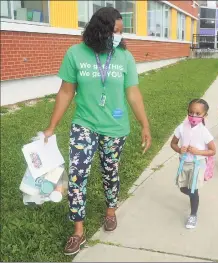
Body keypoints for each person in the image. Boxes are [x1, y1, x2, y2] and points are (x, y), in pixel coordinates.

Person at [43, 7, 151, 255]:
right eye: (115, 31)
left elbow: (133, 93)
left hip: (115, 127)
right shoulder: (75, 54)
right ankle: (78, 231)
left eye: (121, 32)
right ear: (100, 29)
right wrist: (51, 127)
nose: (119, 36)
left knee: (110, 171)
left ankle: (110, 210)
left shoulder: (124, 57)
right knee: (78, 174)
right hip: (85, 124)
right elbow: (66, 92)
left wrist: (145, 125)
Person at [170, 99, 216, 229]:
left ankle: (193, 215)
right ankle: (194, 196)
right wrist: (179, 149)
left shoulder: (204, 132)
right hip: (184, 163)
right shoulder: (181, 128)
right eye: (191, 112)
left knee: (193, 190)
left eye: (197, 113)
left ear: (204, 115)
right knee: (183, 188)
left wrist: (198, 151)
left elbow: (213, 151)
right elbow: (173, 143)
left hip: (197, 164)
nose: (193, 116)